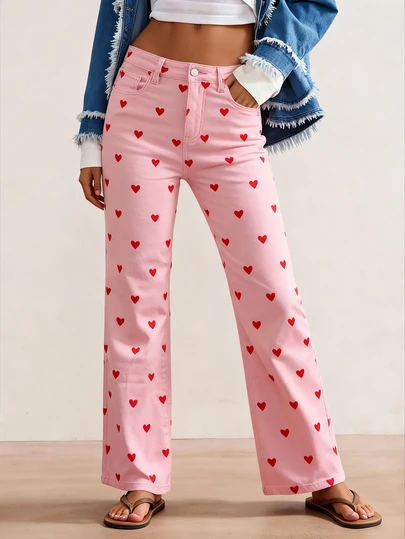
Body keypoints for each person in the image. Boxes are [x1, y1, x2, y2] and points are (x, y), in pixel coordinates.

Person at [74, 0, 382, 531]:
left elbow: (316, 3)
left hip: (233, 103)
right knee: (135, 300)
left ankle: (319, 472)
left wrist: (268, 68)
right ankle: (140, 475)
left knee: (274, 298)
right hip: (141, 100)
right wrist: (92, 135)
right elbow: (113, 17)